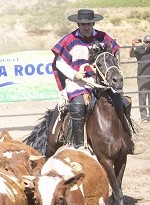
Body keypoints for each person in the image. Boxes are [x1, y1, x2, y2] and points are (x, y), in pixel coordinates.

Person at [51, 9, 122, 149]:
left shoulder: (103, 37)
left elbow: (114, 52)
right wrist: (74, 74)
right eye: (83, 24)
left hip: (101, 83)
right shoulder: (69, 40)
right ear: (78, 24)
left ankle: (127, 140)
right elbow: (59, 62)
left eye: (89, 24)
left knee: (123, 102)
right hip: (79, 83)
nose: (86, 27)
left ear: (93, 23)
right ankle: (78, 146)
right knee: (78, 106)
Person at [130, 34, 150, 122]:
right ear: (143, 42)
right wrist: (133, 45)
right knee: (142, 97)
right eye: (146, 42)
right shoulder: (139, 49)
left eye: (149, 42)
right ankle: (143, 117)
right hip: (142, 77)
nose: (148, 43)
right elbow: (131, 55)